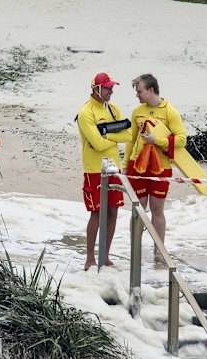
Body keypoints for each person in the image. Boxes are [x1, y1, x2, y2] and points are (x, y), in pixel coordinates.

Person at [123, 74, 186, 258]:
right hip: (138, 166)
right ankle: (135, 251)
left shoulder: (169, 112)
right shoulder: (137, 112)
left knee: (157, 210)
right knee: (138, 210)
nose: (137, 95)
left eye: (140, 91)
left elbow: (181, 140)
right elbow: (131, 140)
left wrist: (156, 140)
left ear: (151, 90)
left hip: (160, 167)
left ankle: (159, 252)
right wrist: (125, 165)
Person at [77, 72, 131, 270]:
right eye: (108, 88)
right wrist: (112, 133)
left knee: (113, 211)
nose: (111, 91)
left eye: (111, 87)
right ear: (96, 89)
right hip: (94, 170)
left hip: (113, 168)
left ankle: (105, 256)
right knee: (97, 213)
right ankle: (90, 258)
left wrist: (107, 132)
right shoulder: (86, 113)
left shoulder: (114, 109)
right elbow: (98, 144)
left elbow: (129, 133)